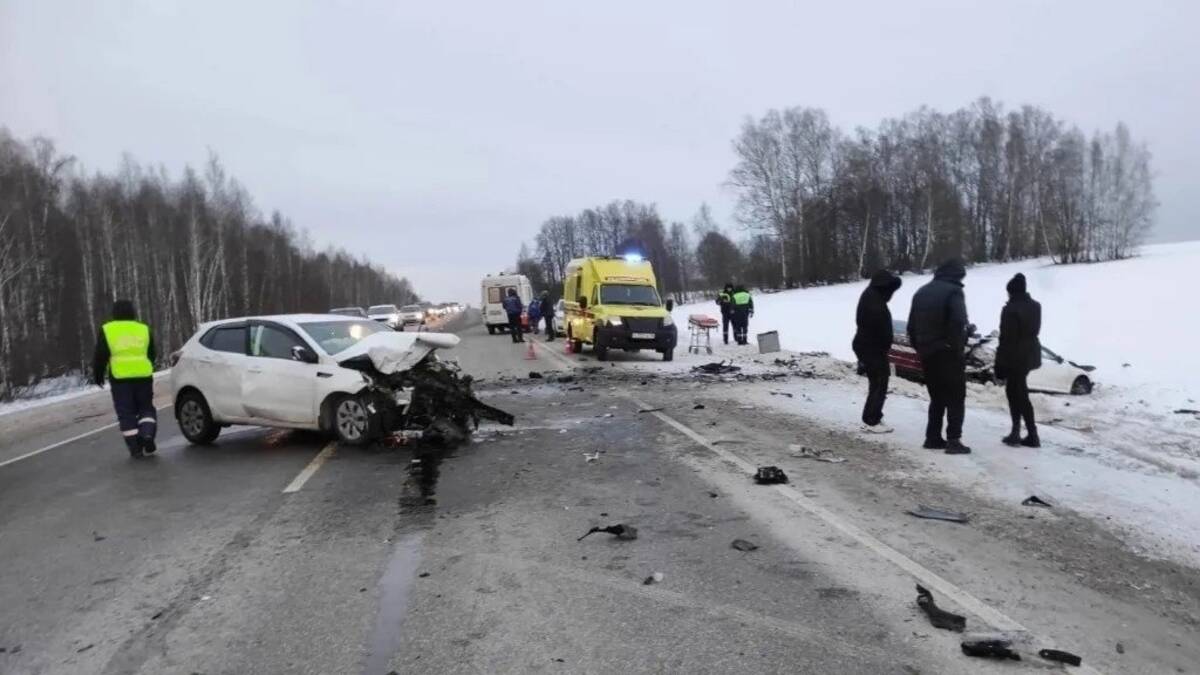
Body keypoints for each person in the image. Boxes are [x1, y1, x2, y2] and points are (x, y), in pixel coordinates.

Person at [907, 260, 971, 454]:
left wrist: (921, 348)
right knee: (956, 396)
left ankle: (932, 437)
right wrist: (956, 347)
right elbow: (958, 321)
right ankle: (953, 440)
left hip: (928, 352)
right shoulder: (954, 291)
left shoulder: (921, 291)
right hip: (948, 353)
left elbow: (911, 326)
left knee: (937, 397)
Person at [92, 299, 158, 458]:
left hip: (120, 378)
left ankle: (135, 448)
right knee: (146, 408)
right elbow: (152, 353)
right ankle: (147, 434)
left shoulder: (108, 329)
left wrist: (98, 374)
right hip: (143, 376)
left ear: (114, 313)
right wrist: (147, 365)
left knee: (126, 413)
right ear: (132, 312)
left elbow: (101, 355)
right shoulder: (143, 329)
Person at [995, 273, 1042, 448]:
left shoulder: (1010, 309)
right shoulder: (1036, 306)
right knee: (1019, 391)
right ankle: (1029, 433)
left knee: (1016, 393)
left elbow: (1006, 338)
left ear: (1011, 292)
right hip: (1030, 355)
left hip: (1014, 355)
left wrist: (999, 365)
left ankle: (1022, 433)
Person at [852, 270, 902, 433]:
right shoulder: (874, 302)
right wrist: (883, 346)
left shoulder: (872, 296)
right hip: (871, 348)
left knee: (878, 383)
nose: (891, 294)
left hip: (869, 347)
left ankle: (873, 416)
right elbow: (877, 329)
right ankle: (871, 420)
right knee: (879, 383)